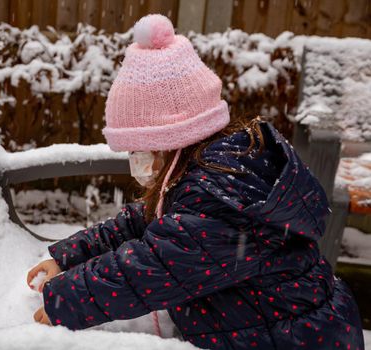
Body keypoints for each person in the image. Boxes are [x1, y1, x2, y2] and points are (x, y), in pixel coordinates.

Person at [27, 14, 364, 349]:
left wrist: (66, 298)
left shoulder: (216, 200)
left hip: (292, 340)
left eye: (138, 147)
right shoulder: (214, 172)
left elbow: (148, 268)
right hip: (273, 323)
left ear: (172, 140)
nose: (135, 158)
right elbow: (140, 222)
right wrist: (70, 255)